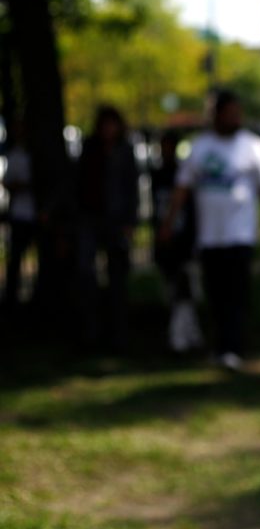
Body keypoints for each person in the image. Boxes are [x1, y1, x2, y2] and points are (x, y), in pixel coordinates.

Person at [160, 90, 260, 370]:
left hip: (241, 234)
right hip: (210, 235)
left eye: (238, 113)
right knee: (215, 293)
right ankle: (221, 345)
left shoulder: (253, 146)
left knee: (237, 292)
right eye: (229, 113)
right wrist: (169, 223)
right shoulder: (200, 147)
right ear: (217, 115)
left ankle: (234, 346)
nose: (235, 118)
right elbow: (181, 189)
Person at [75, 105, 139, 350]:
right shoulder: (90, 149)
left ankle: (118, 335)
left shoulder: (124, 151)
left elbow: (131, 189)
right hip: (91, 218)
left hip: (117, 220)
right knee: (86, 275)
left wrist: (130, 221)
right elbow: (79, 183)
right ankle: (91, 333)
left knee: (117, 279)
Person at [151, 130, 202, 352]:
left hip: (184, 242)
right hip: (167, 243)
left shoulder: (184, 176)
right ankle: (183, 335)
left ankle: (183, 336)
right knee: (175, 291)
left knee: (186, 290)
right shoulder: (158, 175)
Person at [2, 120, 36, 307]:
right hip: (20, 213)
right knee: (15, 258)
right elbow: (7, 182)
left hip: (35, 212)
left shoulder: (34, 155)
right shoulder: (15, 155)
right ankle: (11, 300)